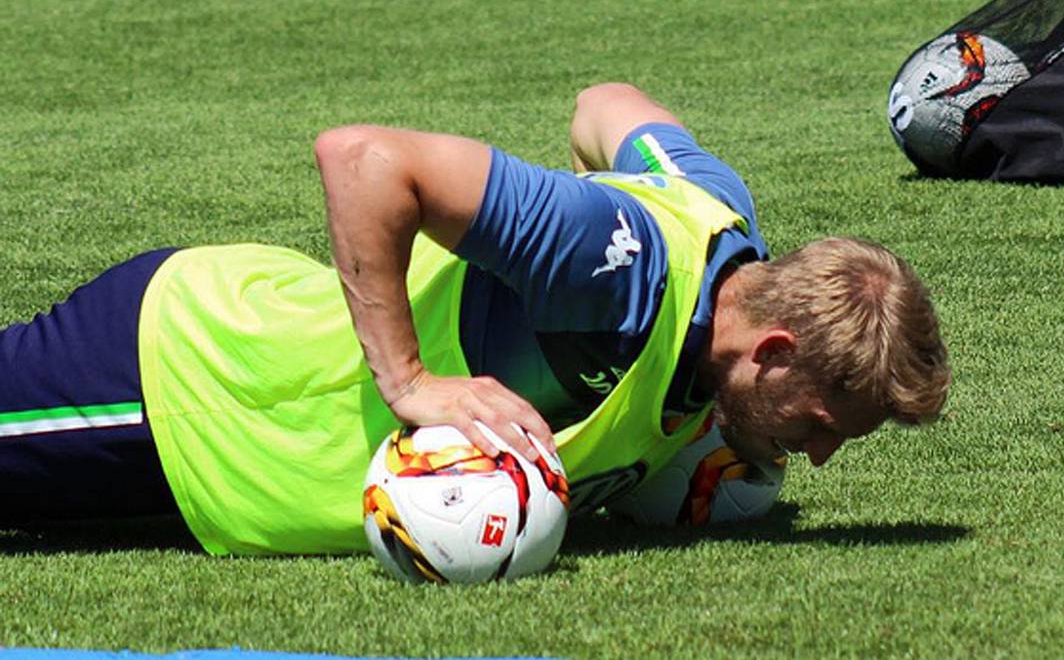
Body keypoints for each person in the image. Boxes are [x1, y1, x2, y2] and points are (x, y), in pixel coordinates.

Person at [0, 83, 950, 555]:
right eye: (822, 425)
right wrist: (410, 382)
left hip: (235, 436)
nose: (817, 458)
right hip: (189, 388)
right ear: (775, 349)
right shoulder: (612, 272)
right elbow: (364, 158)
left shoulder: (723, 221)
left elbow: (605, 103)